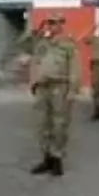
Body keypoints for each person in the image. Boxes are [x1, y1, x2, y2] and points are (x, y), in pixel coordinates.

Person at [29, 15, 81, 176]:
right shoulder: (41, 43)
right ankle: (46, 157)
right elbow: (33, 59)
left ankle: (57, 158)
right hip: (43, 87)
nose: (51, 26)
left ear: (61, 24)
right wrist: (34, 84)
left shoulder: (68, 44)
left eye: (54, 23)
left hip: (60, 86)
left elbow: (75, 68)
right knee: (43, 124)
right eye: (48, 23)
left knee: (59, 124)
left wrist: (73, 90)